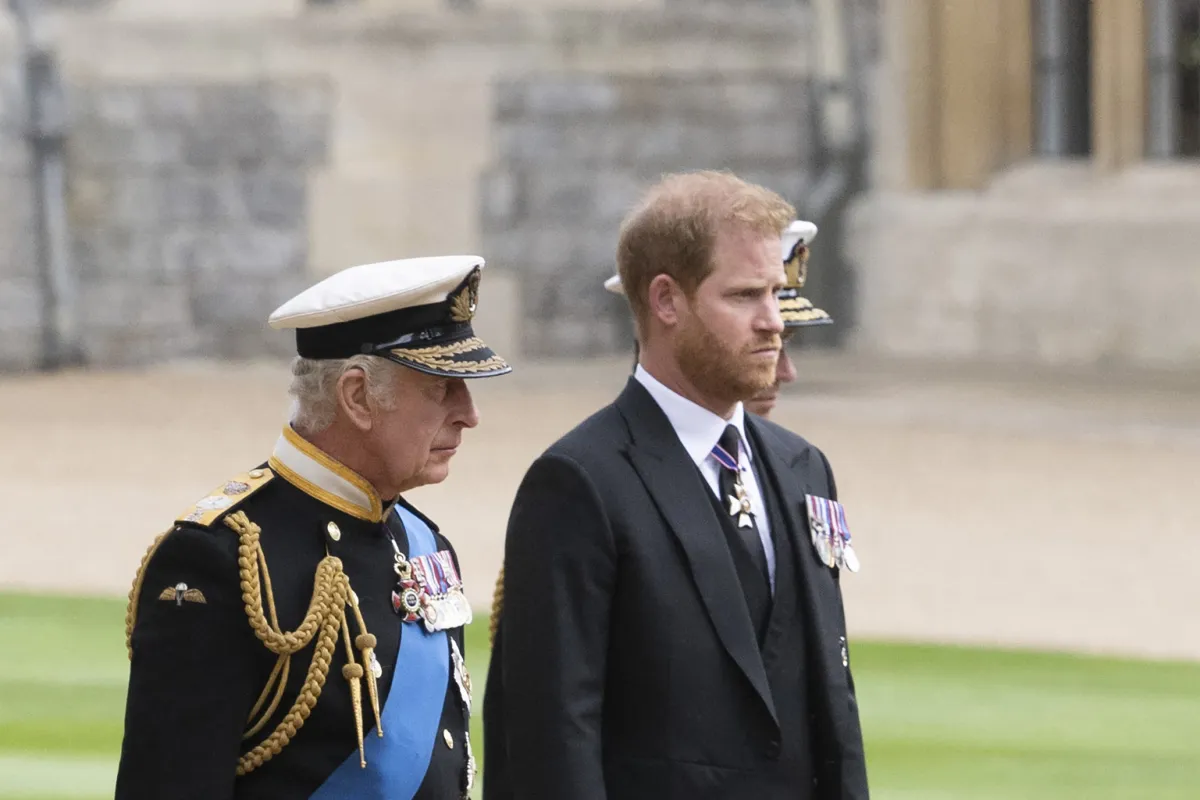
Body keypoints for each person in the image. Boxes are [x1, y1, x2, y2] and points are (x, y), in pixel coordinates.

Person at [484, 171, 868, 800]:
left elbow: (833, 704)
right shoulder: (580, 483)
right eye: (745, 296)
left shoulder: (804, 467)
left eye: (775, 292)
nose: (773, 321)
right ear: (666, 301)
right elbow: (552, 740)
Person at [116, 255, 510, 800]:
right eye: (443, 388)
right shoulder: (219, 559)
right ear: (357, 397)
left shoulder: (423, 543)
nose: (469, 413)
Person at [602, 218, 833, 418]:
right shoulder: (590, 465)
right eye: (757, 338)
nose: (786, 373)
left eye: (783, 342)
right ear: (667, 303)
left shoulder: (791, 461)